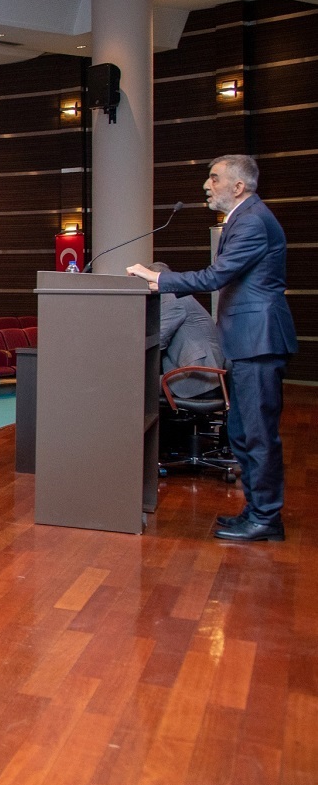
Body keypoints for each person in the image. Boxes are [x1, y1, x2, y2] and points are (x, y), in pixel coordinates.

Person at [127, 154, 298, 542]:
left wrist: (158, 279)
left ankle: (266, 518)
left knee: (257, 434)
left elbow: (216, 276)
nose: (207, 185)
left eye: (214, 178)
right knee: (242, 433)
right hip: (247, 343)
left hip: (259, 341)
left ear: (238, 186)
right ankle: (256, 511)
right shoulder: (243, 218)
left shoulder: (252, 221)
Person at [148, 263, 225, 398]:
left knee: (136, 386)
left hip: (197, 378)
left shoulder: (171, 298)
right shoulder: (180, 297)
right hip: (206, 376)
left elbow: (159, 340)